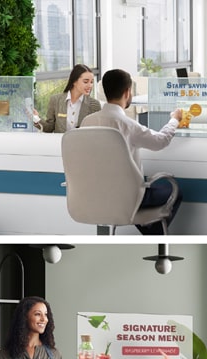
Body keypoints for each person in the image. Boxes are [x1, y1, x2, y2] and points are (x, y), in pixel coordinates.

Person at [81, 68, 183, 235]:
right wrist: (174, 120)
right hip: (126, 200)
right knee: (174, 192)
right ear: (128, 92)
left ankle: (152, 233)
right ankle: (155, 235)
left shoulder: (87, 122)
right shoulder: (128, 125)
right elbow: (161, 141)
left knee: (134, 197)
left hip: (94, 198)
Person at [34, 64, 102, 132]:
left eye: (92, 82)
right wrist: (36, 118)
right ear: (74, 81)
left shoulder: (94, 105)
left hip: (83, 142)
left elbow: (96, 132)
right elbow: (49, 128)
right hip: (60, 142)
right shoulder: (55, 100)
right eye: (85, 82)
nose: (90, 85)